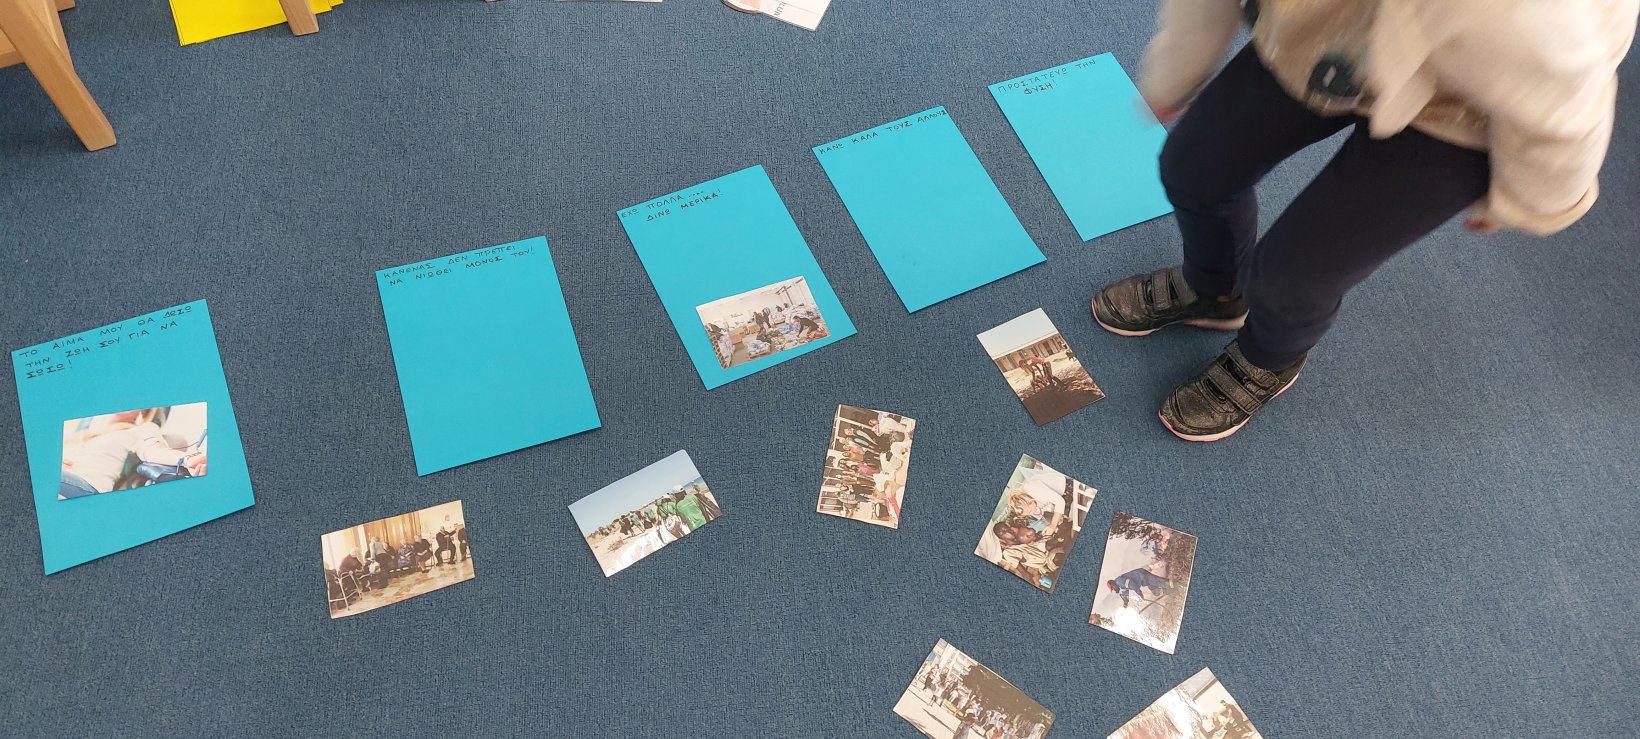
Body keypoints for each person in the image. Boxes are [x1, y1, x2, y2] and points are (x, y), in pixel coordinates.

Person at [1091, 1, 1637, 442]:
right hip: (1327, 31)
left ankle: (1269, 359)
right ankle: (1216, 291)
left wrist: (1528, 203)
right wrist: (1177, 69)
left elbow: (1563, 112)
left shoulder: (1537, 21)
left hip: (1470, 102)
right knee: (1193, 168)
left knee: (1292, 276)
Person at [58, 407, 207, 498]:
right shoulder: (88, 433)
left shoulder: (141, 429)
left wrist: (187, 459)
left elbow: (154, 449)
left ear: (141, 412)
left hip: (87, 486)